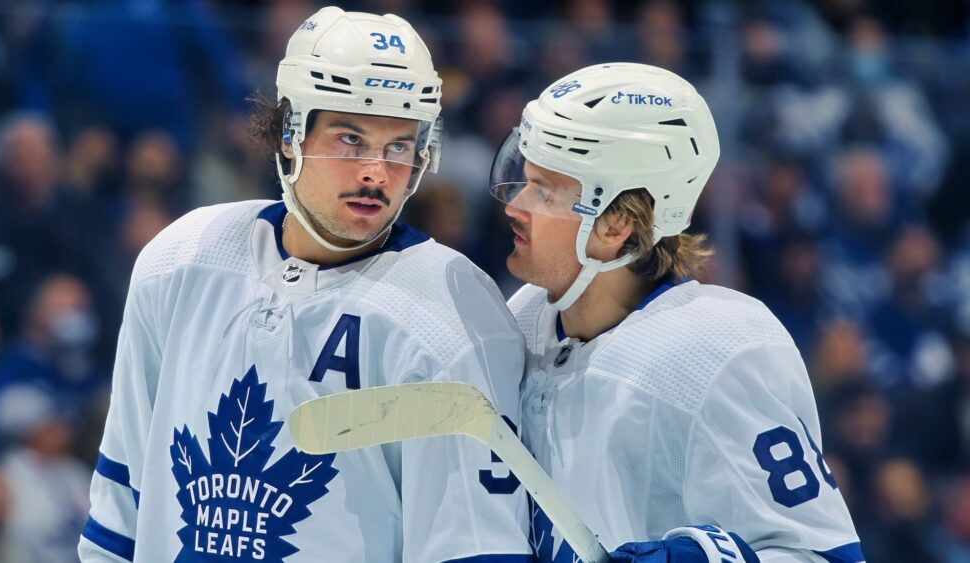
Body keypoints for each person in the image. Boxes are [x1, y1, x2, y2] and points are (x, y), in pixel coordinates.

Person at [79, 7, 530, 562]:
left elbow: (472, 546)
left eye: (398, 146)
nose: (376, 172)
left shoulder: (454, 312)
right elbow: (119, 512)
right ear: (290, 133)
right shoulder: (182, 261)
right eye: (350, 139)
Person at [491, 63, 864, 562]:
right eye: (524, 178)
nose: (516, 205)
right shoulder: (522, 319)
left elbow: (824, 555)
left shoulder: (717, 351)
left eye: (546, 191)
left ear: (616, 224)